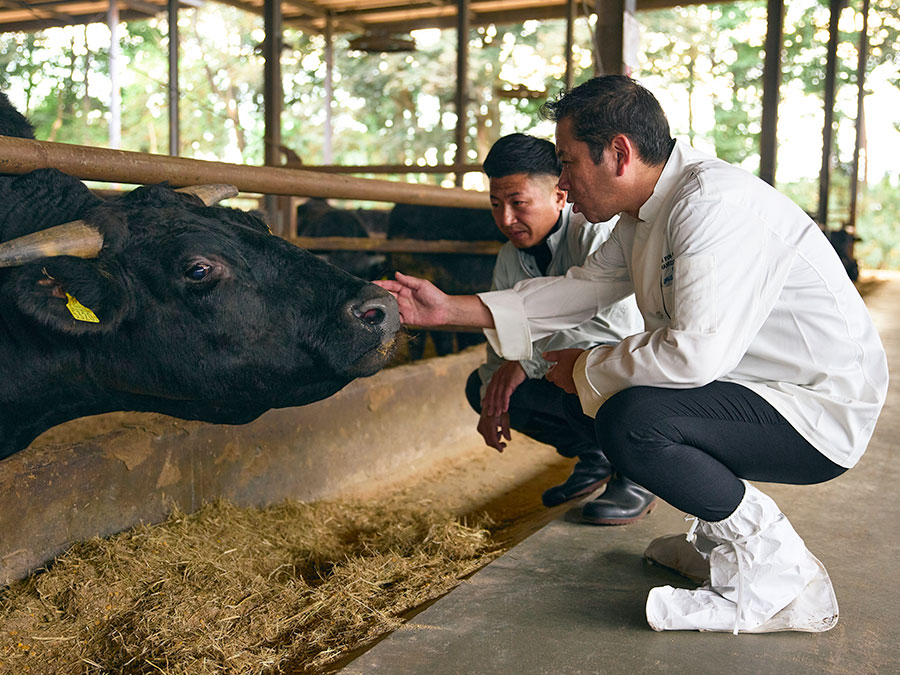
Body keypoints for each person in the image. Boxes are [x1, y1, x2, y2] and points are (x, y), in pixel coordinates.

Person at [376, 75, 889, 634]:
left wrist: (587, 367)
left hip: (818, 407)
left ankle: (779, 576)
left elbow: (694, 355)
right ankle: (724, 549)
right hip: (762, 388)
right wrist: (449, 309)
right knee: (632, 406)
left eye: (568, 162)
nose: (565, 181)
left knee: (633, 419)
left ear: (618, 153)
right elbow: (582, 289)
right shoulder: (646, 214)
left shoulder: (710, 206)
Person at [471, 133, 649, 521]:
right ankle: (596, 456)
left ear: (558, 196)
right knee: (481, 386)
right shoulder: (509, 255)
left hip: (626, 368)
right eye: (496, 205)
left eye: (519, 204)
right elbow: (502, 332)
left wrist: (522, 364)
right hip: (559, 366)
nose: (505, 219)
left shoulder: (595, 232)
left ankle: (638, 476)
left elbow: (609, 326)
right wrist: (493, 393)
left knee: (582, 373)